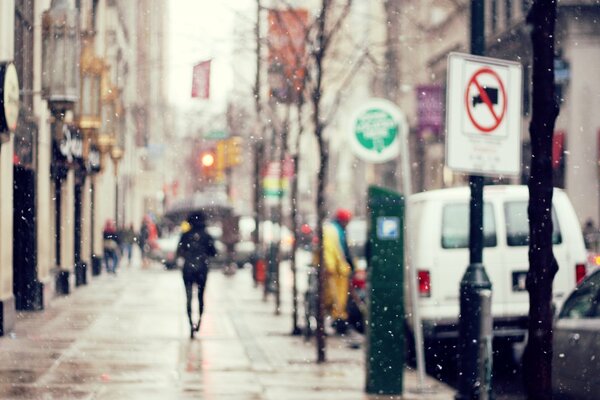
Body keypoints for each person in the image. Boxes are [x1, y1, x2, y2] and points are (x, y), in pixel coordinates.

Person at [176, 211, 217, 339]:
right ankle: (198, 322)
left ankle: (190, 324)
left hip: (188, 269)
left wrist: (189, 253)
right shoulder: (207, 235)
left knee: (188, 297)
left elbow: (179, 251)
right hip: (202, 269)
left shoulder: (186, 235)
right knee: (200, 296)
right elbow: (214, 252)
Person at [322, 208, 354, 335]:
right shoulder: (333, 231)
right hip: (336, 271)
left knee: (337, 298)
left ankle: (339, 319)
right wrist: (330, 267)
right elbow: (330, 250)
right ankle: (339, 320)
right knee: (336, 298)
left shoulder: (335, 230)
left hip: (339, 270)